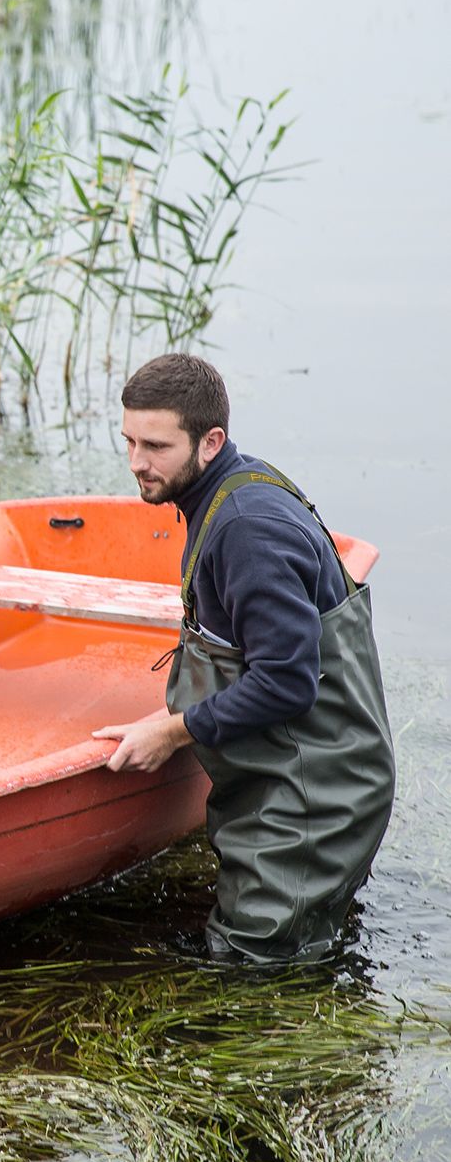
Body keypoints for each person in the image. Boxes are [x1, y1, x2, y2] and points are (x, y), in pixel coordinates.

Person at [93, 353, 395, 962]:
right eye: (128, 440)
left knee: (249, 979)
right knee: (300, 955)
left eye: (155, 445)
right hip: (295, 781)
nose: (136, 463)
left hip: (312, 802)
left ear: (211, 440)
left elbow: (288, 683)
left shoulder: (246, 529)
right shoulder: (234, 486)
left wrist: (172, 732)